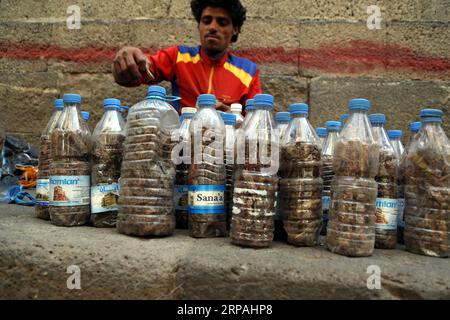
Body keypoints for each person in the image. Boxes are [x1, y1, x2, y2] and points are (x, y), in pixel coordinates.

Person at [112, 0, 262, 113]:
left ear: (235, 29)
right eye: (207, 20)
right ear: (199, 25)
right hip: (181, 146)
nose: (212, 27)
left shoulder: (248, 72)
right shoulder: (179, 57)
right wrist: (126, 62)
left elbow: (256, 124)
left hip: (227, 149)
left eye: (221, 22)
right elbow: (136, 73)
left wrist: (229, 115)